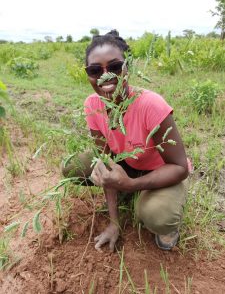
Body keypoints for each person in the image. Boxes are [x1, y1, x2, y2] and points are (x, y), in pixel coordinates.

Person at [62, 30, 190, 252]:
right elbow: (106, 161)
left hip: (164, 170)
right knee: (73, 165)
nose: (105, 76)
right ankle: (125, 193)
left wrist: (131, 184)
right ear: (88, 74)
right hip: (129, 165)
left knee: (157, 215)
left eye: (114, 67)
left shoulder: (151, 105)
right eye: (95, 70)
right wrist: (114, 222)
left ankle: (164, 217)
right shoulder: (93, 105)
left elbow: (179, 167)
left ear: (127, 67)